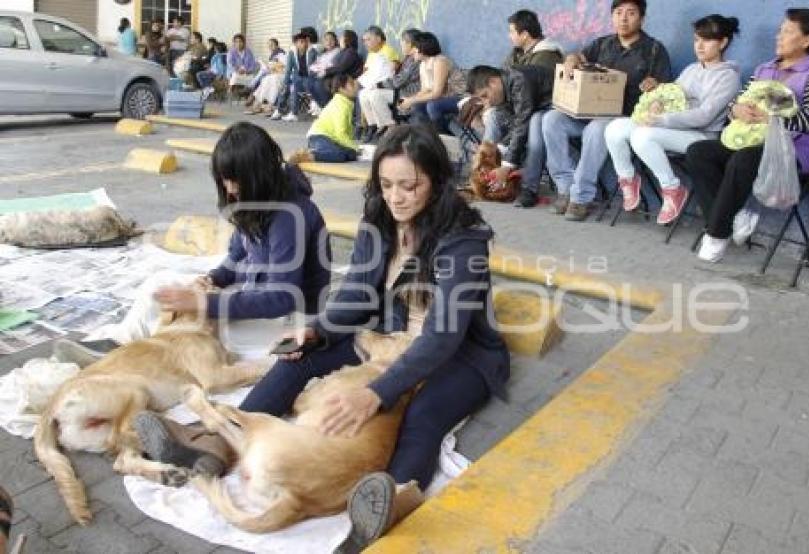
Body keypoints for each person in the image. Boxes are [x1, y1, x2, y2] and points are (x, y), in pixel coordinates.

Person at [133, 125, 509, 553]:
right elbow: (358, 293)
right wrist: (320, 329)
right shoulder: (381, 220)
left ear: (437, 183)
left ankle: (390, 499)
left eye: (410, 185)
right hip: (386, 337)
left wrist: (375, 393)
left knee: (420, 415)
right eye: (386, 185)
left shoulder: (463, 241)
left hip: (460, 356)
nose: (396, 197)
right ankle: (215, 443)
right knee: (301, 357)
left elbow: (442, 335)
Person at [55, 122, 331, 366]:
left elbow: (280, 298)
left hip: (291, 319)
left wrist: (203, 302)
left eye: (236, 181)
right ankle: (118, 343)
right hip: (255, 293)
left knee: (200, 324)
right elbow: (236, 258)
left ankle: (140, 358)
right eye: (225, 181)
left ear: (260, 177)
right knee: (159, 284)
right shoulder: (252, 201)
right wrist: (210, 279)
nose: (231, 189)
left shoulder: (289, 216)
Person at [687, 8, 809, 262]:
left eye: (787, 32)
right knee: (698, 152)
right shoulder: (764, 69)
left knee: (743, 159)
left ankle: (715, 233)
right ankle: (733, 216)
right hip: (750, 140)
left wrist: (772, 118)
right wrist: (738, 109)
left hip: (791, 151)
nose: (779, 36)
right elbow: (735, 102)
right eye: (780, 30)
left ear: (807, 40)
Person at [539, 0, 672, 218]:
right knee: (552, 119)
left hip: (621, 118)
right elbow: (579, 57)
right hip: (587, 112)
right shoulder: (602, 44)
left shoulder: (655, 50)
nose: (624, 18)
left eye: (631, 13)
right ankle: (565, 188)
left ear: (642, 18)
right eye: (618, 13)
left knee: (596, 128)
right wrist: (572, 59)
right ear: (612, 17)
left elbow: (665, 90)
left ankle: (581, 197)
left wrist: (654, 86)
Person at [604, 14, 741, 225]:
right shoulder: (691, 70)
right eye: (696, 40)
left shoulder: (728, 77)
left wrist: (661, 119)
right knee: (615, 127)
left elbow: (705, 115)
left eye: (707, 40)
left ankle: (672, 189)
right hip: (674, 130)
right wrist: (656, 96)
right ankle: (628, 179)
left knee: (643, 136)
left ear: (722, 42)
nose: (700, 46)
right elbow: (672, 95)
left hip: (702, 137)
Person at [466, 64, 554, 206]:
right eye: (481, 99)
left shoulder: (519, 80)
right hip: (534, 113)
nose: (485, 103)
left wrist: (507, 165)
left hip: (553, 109)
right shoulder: (503, 88)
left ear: (493, 82)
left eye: (485, 96)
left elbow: (522, 123)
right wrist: (498, 149)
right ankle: (486, 167)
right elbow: (515, 126)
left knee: (534, 123)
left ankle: (529, 188)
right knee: (494, 114)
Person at [472, 10, 563, 144]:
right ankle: (491, 155)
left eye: (512, 32)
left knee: (494, 115)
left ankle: (495, 156)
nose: (509, 36)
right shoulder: (517, 53)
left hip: (536, 109)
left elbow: (531, 98)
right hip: (518, 106)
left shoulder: (546, 56)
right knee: (488, 112)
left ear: (525, 34)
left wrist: (497, 104)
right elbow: (501, 77)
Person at [359, 28, 421, 142]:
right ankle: (375, 124)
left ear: (410, 43)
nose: (401, 45)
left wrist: (379, 85)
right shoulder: (408, 58)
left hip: (408, 93)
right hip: (399, 90)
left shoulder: (415, 60)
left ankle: (390, 126)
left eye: (403, 42)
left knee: (375, 95)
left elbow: (399, 80)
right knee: (364, 94)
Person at [399, 32, 466, 132]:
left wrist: (412, 100)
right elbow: (424, 90)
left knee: (433, 105)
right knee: (417, 105)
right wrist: (408, 100)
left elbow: (436, 93)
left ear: (423, 47)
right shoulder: (423, 64)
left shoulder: (440, 61)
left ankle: (443, 136)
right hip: (444, 97)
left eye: (415, 47)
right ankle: (426, 135)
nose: (412, 51)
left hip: (459, 96)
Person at [272, 31, 339, 121]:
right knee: (286, 84)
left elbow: (316, 67)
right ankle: (280, 110)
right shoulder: (292, 53)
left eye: (304, 42)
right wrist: (285, 82)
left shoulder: (312, 51)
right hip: (299, 79)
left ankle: (293, 113)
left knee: (295, 84)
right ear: (295, 44)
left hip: (310, 79)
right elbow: (288, 70)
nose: (303, 44)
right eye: (300, 42)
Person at [306, 74, 361, 162]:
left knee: (351, 154)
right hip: (319, 136)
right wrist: (355, 147)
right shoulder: (340, 105)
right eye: (351, 83)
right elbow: (341, 133)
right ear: (341, 89)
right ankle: (309, 155)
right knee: (339, 155)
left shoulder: (346, 103)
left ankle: (322, 152)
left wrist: (353, 148)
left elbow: (346, 132)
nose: (355, 85)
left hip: (331, 138)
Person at [309, 29, 363, 109]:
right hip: (335, 77)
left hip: (346, 80)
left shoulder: (350, 52)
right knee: (310, 83)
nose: (339, 40)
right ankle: (324, 108)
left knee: (318, 84)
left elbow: (341, 67)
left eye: (341, 38)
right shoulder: (343, 51)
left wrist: (325, 72)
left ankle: (327, 108)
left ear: (347, 39)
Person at [244, 38, 288, 114]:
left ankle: (266, 105)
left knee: (272, 79)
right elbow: (272, 68)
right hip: (274, 75)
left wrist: (274, 67)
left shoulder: (282, 54)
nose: (270, 47)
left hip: (282, 76)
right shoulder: (273, 55)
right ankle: (259, 104)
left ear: (277, 45)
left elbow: (284, 66)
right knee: (266, 80)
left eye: (272, 45)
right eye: (269, 45)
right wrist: (270, 68)